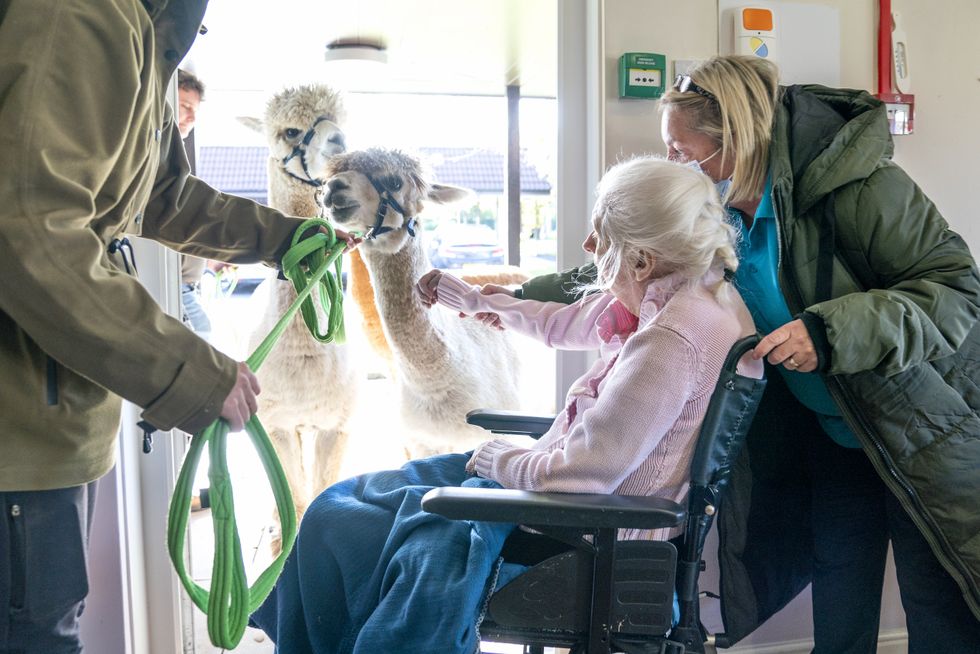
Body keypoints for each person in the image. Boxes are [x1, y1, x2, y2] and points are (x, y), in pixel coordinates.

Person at [501, 55, 980, 653]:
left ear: (736, 137)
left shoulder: (861, 187)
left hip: (915, 423)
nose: (673, 163)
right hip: (830, 430)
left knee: (936, 599)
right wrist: (517, 296)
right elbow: (631, 260)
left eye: (682, 150)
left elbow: (957, 292)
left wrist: (828, 332)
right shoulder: (718, 206)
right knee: (839, 586)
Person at [249, 156, 761, 653]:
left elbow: (585, 474)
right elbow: (559, 323)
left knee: (342, 519)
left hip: (582, 526)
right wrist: (473, 300)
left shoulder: (671, 340)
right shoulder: (690, 292)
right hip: (562, 494)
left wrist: (499, 459)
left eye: (600, 236)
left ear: (644, 258)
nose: (588, 246)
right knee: (354, 499)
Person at [0, 2, 358, 652]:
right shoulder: (79, 13)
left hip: (55, 406)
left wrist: (284, 239)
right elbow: (30, 224)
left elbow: (158, 196)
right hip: (18, 424)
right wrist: (189, 372)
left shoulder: (145, 30)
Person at [176, 68, 215, 337]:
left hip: (187, 283)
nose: (191, 117)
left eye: (195, 111)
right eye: (185, 106)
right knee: (203, 333)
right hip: (177, 285)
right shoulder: (165, 160)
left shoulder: (177, 158)